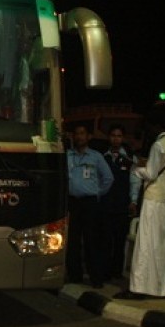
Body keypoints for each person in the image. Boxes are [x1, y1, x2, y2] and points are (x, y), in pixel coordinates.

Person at [116, 110, 165, 299]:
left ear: (156, 126)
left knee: (145, 243)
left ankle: (139, 288)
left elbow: (152, 173)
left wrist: (136, 170)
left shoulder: (159, 145)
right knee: (161, 245)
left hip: (154, 200)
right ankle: (162, 288)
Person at [66, 123, 114, 288]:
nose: (79, 137)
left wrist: (97, 192)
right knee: (72, 241)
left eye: (82, 133)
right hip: (72, 203)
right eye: (76, 134)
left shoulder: (96, 156)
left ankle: (95, 277)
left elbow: (108, 178)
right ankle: (75, 275)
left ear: (88, 137)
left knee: (92, 241)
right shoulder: (67, 156)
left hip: (90, 203)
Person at [101, 124, 141, 281]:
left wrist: (133, 201)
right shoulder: (103, 157)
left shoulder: (130, 158)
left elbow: (135, 181)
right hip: (105, 204)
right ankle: (104, 272)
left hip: (122, 205)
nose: (115, 139)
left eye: (119, 136)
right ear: (109, 137)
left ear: (122, 138)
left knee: (119, 242)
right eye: (113, 135)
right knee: (105, 241)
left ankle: (116, 272)